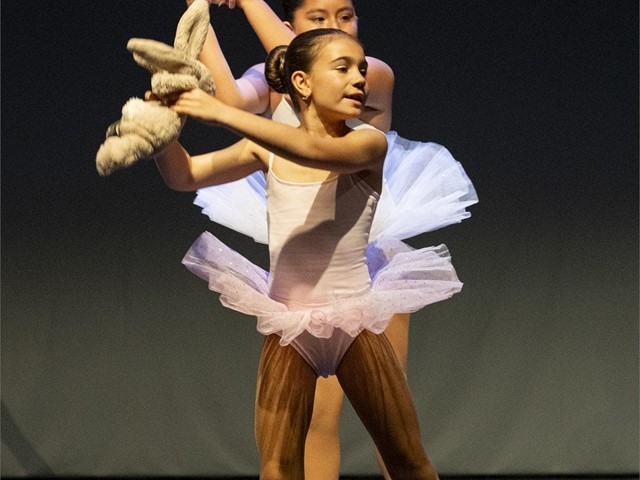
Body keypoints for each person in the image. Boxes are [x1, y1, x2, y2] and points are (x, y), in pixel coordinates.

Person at [183, 1, 477, 479]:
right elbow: (232, 102)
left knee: (394, 430)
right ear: (290, 26)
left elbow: (308, 123)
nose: (337, 27)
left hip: (364, 259)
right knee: (315, 421)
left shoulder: (367, 73)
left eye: (347, 16)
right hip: (301, 266)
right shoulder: (280, 77)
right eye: (318, 18)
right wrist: (197, 11)